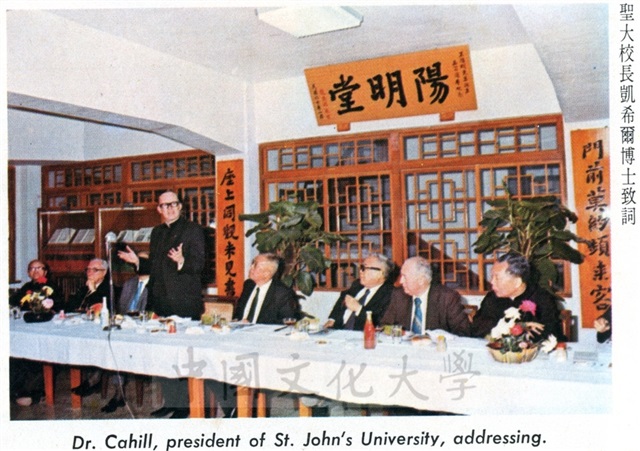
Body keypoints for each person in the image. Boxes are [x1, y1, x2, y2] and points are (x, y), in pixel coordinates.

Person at [118, 190, 205, 419]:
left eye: (173, 204)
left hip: (184, 302)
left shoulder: (193, 230)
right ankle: (171, 402)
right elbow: (155, 268)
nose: (170, 208)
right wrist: (138, 262)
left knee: (183, 356)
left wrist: (182, 260)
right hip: (161, 301)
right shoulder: (156, 232)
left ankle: (186, 406)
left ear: (180, 206)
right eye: (165, 205)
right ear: (158, 209)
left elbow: (200, 265)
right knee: (164, 355)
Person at [471, 253, 564, 341]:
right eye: (492, 277)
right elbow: (478, 326)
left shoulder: (542, 298)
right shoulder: (492, 297)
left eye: (497, 278)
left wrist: (502, 327)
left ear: (517, 282)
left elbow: (549, 334)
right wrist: (517, 327)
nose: (492, 282)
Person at [10, 260, 64, 406]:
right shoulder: (26, 287)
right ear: (28, 273)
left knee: (39, 356)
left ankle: (35, 393)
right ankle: (15, 390)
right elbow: (14, 302)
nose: (35, 271)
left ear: (45, 272)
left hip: (46, 328)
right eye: (32, 269)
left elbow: (59, 306)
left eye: (39, 268)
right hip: (27, 327)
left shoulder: (52, 287)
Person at [100, 259, 150, 413]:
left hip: (145, 332)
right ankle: (118, 393)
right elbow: (121, 308)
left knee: (121, 348)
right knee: (113, 345)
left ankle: (117, 394)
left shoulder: (157, 284)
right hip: (126, 327)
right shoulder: (129, 283)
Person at [381, 256, 471, 337]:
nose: (401, 281)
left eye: (405, 276)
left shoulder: (447, 298)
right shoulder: (398, 295)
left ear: (421, 280)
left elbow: (463, 331)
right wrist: (401, 333)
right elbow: (384, 326)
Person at [66, 258, 112, 397]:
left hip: (102, 329)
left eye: (95, 270)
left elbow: (104, 308)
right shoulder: (83, 287)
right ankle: (89, 380)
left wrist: (93, 290)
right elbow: (71, 306)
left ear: (104, 272)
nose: (90, 272)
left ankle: (92, 381)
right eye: (88, 269)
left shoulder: (110, 288)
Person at [324, 254, 396, 330]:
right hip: (339, 331)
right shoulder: (357, 284)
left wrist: (358, 309)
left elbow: (379, 323)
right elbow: (343, 299)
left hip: (362, 334)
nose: (360, 271)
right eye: (361, 267)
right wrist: (332, 319)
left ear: (380, 273)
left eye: (364, 268)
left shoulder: (391, 294)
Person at [234, 253, 300, 324]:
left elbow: (287, 322)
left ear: (266, 274)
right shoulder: (248, 285)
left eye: (255, 265)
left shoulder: (282, 293)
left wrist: (254, 327)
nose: (251, 268)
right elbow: (238, 314)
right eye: (252, 264)